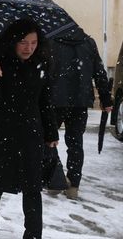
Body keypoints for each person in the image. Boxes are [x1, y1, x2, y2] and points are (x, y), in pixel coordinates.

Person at [0, 18, 59, 239]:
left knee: (32, 188)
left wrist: (51, 132)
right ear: (12, 41)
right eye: (23, 42)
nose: (29, 48)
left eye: (34, 43)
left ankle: (33, 234)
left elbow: (44, 100)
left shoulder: (41, 63)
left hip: (29, 132)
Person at [49, 26, 113, 199]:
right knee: (76, 142)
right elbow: (99, 72)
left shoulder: (52, 41)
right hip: (80, 101)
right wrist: (106, 99)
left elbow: (45, 73)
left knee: (48, 140)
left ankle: (55, 178)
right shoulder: (88, 42)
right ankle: (73, 185)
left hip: (55, 100)